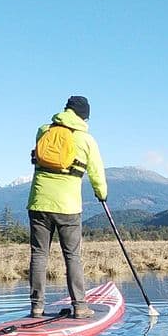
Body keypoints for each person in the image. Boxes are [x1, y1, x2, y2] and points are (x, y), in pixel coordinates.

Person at [27, 95, 107, 318]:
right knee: (72, 256)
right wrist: (102, 194)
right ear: (85, 117)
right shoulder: (87, 140)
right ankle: (80, 307)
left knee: (39, 255)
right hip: (68, 207)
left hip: (38, 202)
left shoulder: (43, 131)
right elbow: (97, 174)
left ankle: (36, 307)